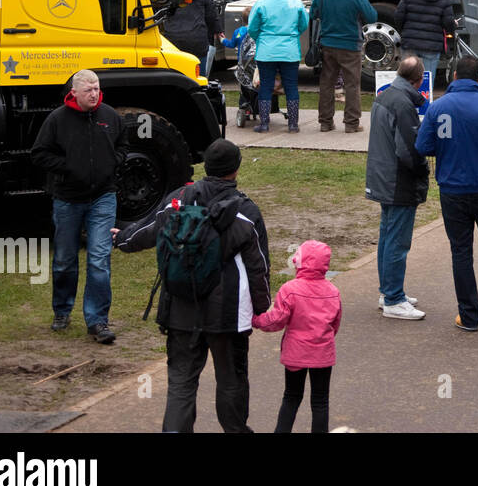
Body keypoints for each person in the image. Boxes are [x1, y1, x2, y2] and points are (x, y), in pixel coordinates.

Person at [113, 139, 271, 433]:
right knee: (231, 380)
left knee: (181, 382)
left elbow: (150, 229)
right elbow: (258, 266)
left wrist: (121, 238)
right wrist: (261, 308)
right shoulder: (246, 211)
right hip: (227, 314)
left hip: (180, 308)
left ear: (206, 167)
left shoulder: (179, 198)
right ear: (235, 170)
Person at [415, 56, 478, 331]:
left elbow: (423, 145)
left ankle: (469, 314)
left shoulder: (439, 108)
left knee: (461, 252)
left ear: (454, 76)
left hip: (453, 190)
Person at [30, 70, 127, 344]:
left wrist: (113, 162)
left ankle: (97, 321)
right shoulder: (57, 120)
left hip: (103, 198)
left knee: (99, 258)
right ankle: (62, 310)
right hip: (68, 199)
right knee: (64, 260)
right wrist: (67, 168)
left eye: (97, 88)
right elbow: (39, 154)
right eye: (89, 90)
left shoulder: (110, 117)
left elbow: (123, 144)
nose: (94, 94)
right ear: (75, 92)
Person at [252, 239, 341, 433]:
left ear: (299, 262)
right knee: (320, 400)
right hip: (323, 354)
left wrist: (256, 320)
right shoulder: (333, 291)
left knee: (291, 397)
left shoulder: (290, 289)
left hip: (296, 353)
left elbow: (277, 320)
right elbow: (335, 324)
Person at [366, 56, 429, 320]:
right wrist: (424, 168)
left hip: (383, 176)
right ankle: (393, 298)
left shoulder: (386, 96)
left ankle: (389, 291)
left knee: (388, 235)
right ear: (418, 80)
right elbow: (408, 150)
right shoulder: (403, 104)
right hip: (397, 180)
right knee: (397, 240)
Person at [309, 0, 377, 133]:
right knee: (352, 84)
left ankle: (325, 122)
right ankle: (351, 123)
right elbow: (371, 17)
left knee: (327, 83)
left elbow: (313, 14)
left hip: (328, 44)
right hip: (350, 45)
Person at [246, 0, 308, 133]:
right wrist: (292, 34)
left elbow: (252, 28)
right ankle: (293, 124)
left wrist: (261, 38)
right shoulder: (295, 3)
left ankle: (264, 123)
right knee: (291, 86)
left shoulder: (261, 5)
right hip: (290, 51)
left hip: (266, 51)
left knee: (265, 86)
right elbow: (303, 25)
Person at [394, 0, 455, 84]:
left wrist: (404, 32)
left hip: (410, 42)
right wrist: (453, 26)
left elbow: (398, 17)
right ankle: (425, 103)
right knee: (427, 83)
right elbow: (448, 23)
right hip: (432, 45)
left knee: (406, 79)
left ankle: (406, 102)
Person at [160, 0, 220, 78]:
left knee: (174, 77)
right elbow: (210, 16)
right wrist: (216, 30)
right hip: (197, 41)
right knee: (198, 78)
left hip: (172, 41)